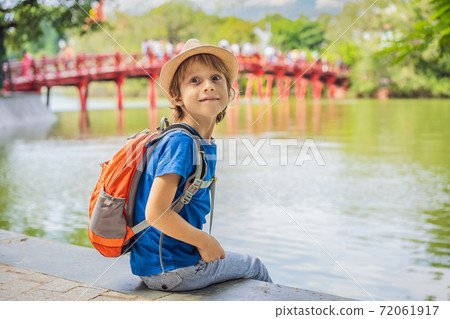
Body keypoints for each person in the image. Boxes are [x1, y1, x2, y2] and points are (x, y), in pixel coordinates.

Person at [130, 39, 272, 292]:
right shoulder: (181, 142)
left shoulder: (199, 141)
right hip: (173, 269)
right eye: (194, 81)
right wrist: (205, 242)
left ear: (230, 92)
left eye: (216, 78)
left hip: (159, 266)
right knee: (255, 266)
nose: (208, 86)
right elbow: (156, 213)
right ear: (177, 96)